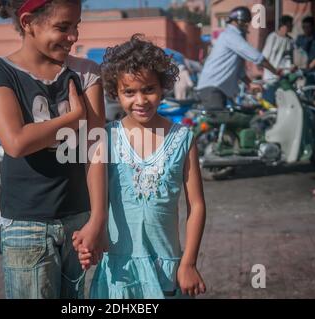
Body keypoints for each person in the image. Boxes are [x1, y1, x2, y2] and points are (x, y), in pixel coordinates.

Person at [0, 0, 108, 299]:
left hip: (79, 220)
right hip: (26, 225)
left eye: (76, 26)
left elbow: (96, 148)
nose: (73, 36)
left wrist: (98, 219)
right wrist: (74, 118)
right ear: (27, 23)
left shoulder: (86, 72)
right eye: (62, 27)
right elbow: (17, 142)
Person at [74, 35, 207, 299]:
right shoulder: (106, 138)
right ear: (115, 92)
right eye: (129, 92)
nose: (140, 100)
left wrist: (189, 262)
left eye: (148, 89)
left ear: (163, 87)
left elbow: (197, 205)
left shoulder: (182, 139)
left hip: (166, 271)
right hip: (119, 273)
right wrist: (91, 234)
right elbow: (94, 200)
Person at [196, 6, 280, 110]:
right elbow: (257, 57)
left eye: (247, 22)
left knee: (236, 118)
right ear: (236, 21)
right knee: (218, 122)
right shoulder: (231, 35)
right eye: (245, 22)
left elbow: (239, 70)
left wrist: (249, 84)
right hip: (212, 89)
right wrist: (277, 72)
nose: (247, 25)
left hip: (218, 89)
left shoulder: (232, 36)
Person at [262, 15, 294, 82]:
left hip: (284, 75)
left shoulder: (290, 40)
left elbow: (289, 58)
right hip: (271, 75)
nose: (292, 26)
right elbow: (265, 56)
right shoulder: (273, 37)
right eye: (290, 25)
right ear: (284, 26)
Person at [295, 16, 315, 85]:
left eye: (308, 27)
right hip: (302, 69)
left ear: (312, 27)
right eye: (304, 27)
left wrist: (309, 67)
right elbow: (296, 53)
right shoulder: (300, 39)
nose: (306, 29)